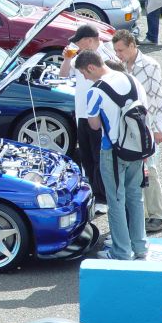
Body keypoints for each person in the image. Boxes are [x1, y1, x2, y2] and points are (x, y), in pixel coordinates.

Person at [77, 51, 148, 261]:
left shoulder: (95, 91)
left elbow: (94, 125)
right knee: (135, 196)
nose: (85, 77)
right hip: (138, 146)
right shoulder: (132, 80)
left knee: (116, 200)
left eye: (83, 73)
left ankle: (121, 251)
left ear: (90, 67)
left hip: (113, 150)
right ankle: (140, 247)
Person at [112, 30, 162, 233]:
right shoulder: (119, 66)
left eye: (121, 50)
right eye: (116, 50)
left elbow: (159, 97)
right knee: (136, 173)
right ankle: (142, 215)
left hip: (148, 126)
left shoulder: (150, 65)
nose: (118, 54)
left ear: (132, 45)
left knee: (150, 170)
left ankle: (158, 215)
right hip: (130, 128)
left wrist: (160, 128)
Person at [59, 24, 118, 215]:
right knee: (86, 156)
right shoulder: (80, 57)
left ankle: (103, 197)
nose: (77, 45)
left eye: (79, 41)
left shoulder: (106, 58)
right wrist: (67, 59)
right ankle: (93, 191)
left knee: (99, 156)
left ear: (90, 40)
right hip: (82, 115)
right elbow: (63, 74)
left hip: (99, 117)